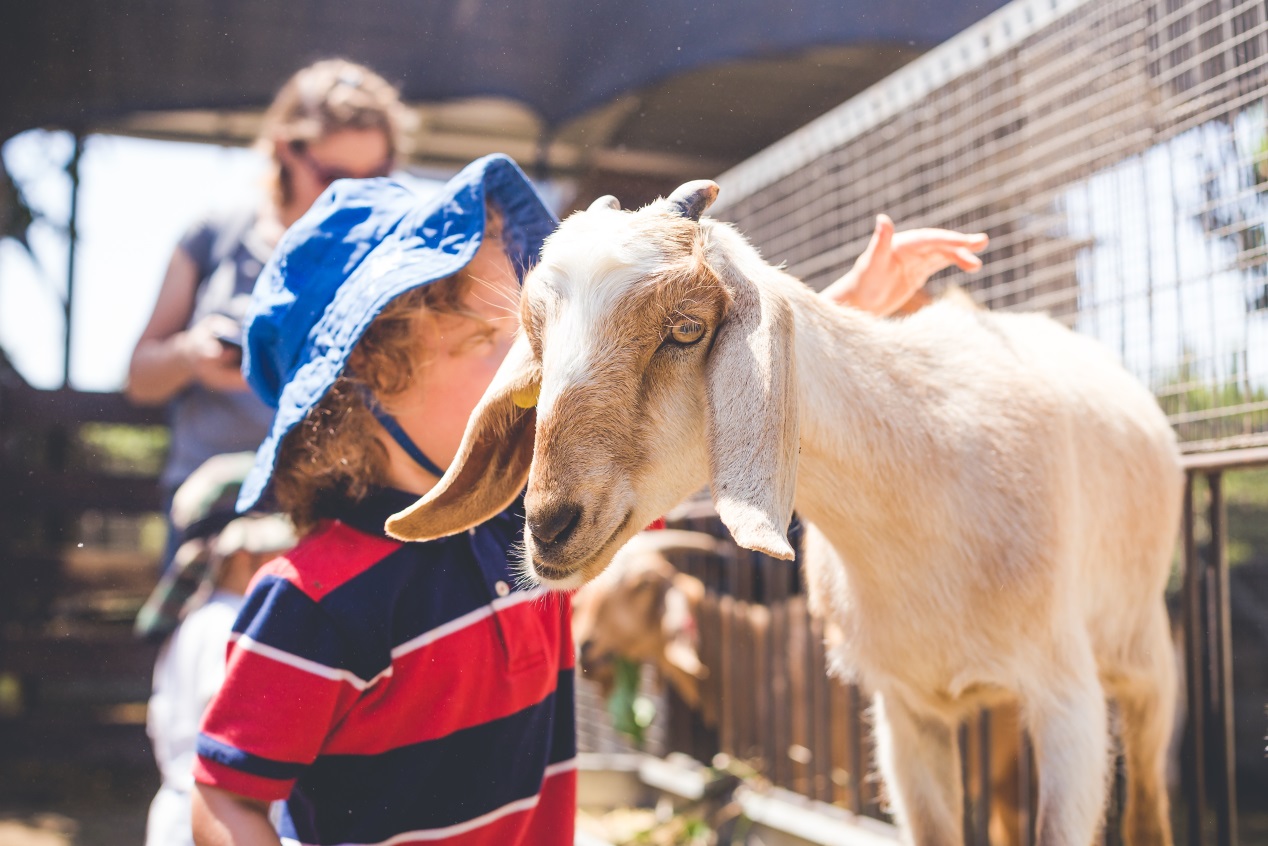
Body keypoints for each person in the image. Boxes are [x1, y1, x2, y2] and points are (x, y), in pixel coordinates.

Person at [190, 153, 987, 845]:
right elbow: (226, 798)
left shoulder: (534, 522)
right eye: (487, 342)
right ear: (367, 385)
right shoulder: (313, 605)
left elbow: (681, 445)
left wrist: (840, 311)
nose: (529, 364)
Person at [124, 58, 410, 575]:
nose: (356, 197)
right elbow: (140, 377)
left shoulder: (394, 256)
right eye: (336, 176)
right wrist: (191, 355)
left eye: (377, 177)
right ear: (285, 149)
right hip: (217, 509)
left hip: (336, 507)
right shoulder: (215, 235)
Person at [143, 452, 297, 846]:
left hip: (177, 815)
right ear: (245, 554)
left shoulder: (194, 618)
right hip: (215, 823)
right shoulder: (235, 627)